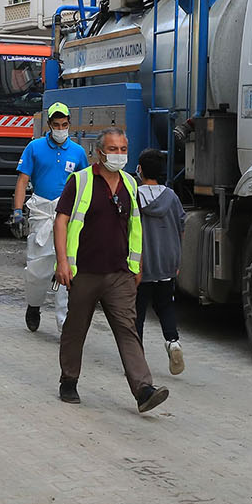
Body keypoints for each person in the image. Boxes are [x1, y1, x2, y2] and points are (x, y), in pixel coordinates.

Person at [55, 127, 168, 413]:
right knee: (75, 329)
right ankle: (68, 380)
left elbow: (135, 227)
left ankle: (143, 390)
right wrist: (63, 262)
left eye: (122, 150)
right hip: (84, 273)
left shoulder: (130, 183)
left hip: (119, 274)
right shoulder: (80, 182)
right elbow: (61, 221)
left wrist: (137, 264)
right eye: (113, 149)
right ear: (99, 152)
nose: (118, 155)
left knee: (127, 329)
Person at [13, 102, 90, 334]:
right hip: (41, 213)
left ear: (69, 124)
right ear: (49, 125)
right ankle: (34, 305)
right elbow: (23, 181)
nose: (60, 129)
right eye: (56, 125)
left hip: (67, 214)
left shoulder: (77, 152)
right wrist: (17, 212)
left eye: (64, 125)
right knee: (38, 267)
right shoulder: (34, 148)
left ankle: (65, 324)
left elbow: (85, 185)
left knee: (67, 265)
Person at [134, 148, 186, 375]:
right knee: (165, 305)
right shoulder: (172, 197)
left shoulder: (134, 196)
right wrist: (176, 256)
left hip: (142, 264)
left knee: (137, 311)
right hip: (167, 262)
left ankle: (136, 358)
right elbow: (182, 227)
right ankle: (173, 342)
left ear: (140, 170)